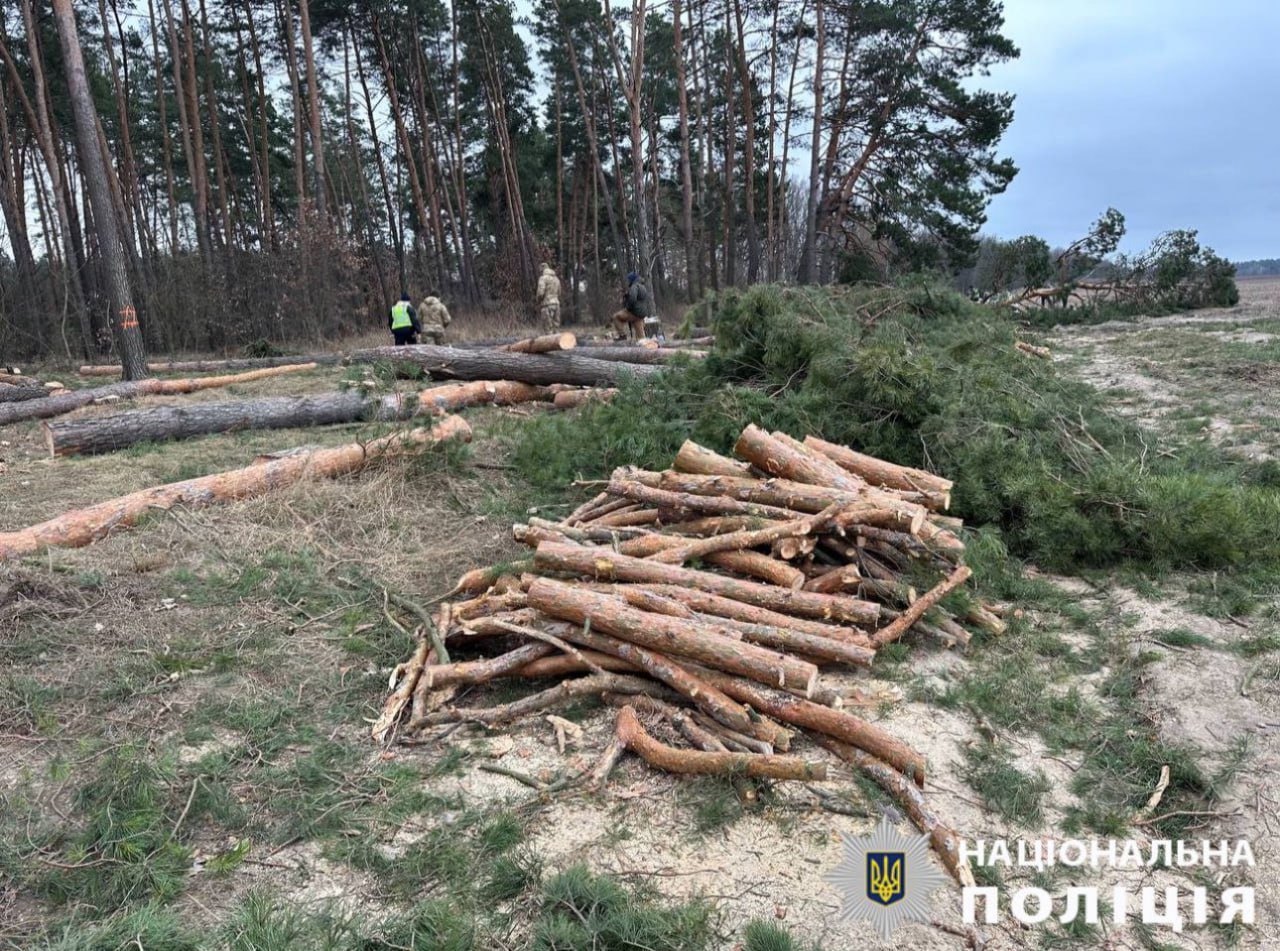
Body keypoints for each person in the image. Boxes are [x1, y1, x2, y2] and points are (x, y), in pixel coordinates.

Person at [612, 271, 651, 340]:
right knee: (641, 338)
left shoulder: (634, 286)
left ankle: (622, 335)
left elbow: (633, 298)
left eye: (629, 280)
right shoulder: (642, 287)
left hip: (634, 312)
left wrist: (628, 308)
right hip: (641, 314)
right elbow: (640, 298)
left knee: (616, 317)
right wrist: (628, 295)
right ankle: (646, 349)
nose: (628, 281)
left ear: (631, 280)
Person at [536, 263, 561, 330]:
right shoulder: (556, 279)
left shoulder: (543, 278)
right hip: (556, 304)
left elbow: (540, 293)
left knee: (548, 329)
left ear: (542, 270)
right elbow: (559, 293)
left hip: (547, 305)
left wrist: (538, 301)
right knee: (556, 328)